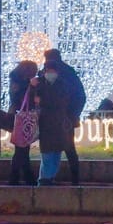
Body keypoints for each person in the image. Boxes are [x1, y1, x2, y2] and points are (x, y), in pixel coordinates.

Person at [35, 54, 81, 186]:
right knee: (48, 152)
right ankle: (45, 178)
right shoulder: (40, 83)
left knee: (56, 151)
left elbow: (62, 101)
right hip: (47, 123)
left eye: (52, 71)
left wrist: (42, 101)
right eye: (47, 71)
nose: (50, 73)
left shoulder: (63, 84)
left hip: (60, 123)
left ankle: (49, 178)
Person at [6, 60, 39, 186]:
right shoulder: (21, 83)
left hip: (20, 118)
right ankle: (19, 177)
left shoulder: (16, 80)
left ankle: (23, 176)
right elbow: (18, 98)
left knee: (22, 148)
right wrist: (29, 85)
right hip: (21, 118)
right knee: (22, 149)